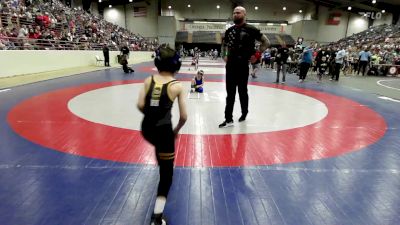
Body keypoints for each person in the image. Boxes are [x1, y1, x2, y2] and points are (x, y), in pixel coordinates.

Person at [137, 46, 187, 225]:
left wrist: (152, 115)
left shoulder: (148, 80)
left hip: (147, 129)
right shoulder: (177, 86)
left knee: (160, 148)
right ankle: (157, 218)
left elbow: (140, 105)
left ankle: (160, 153)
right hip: (164, 133)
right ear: (177, 65)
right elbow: (183, 117)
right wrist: (175, 131)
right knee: (167, 174)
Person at [219, 6, 269, 128]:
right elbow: (224, 45)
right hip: (230, 65)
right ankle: (228, 119)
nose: (235, 14)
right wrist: (224, 55)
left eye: (238, 12)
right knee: (230, 93)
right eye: (234, 13)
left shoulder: (252, 29)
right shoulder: (229, 30)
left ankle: (244, 112)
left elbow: (266, 42)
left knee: (242, 91)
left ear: (244, 14)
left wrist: (257, 55)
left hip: (243, 66)